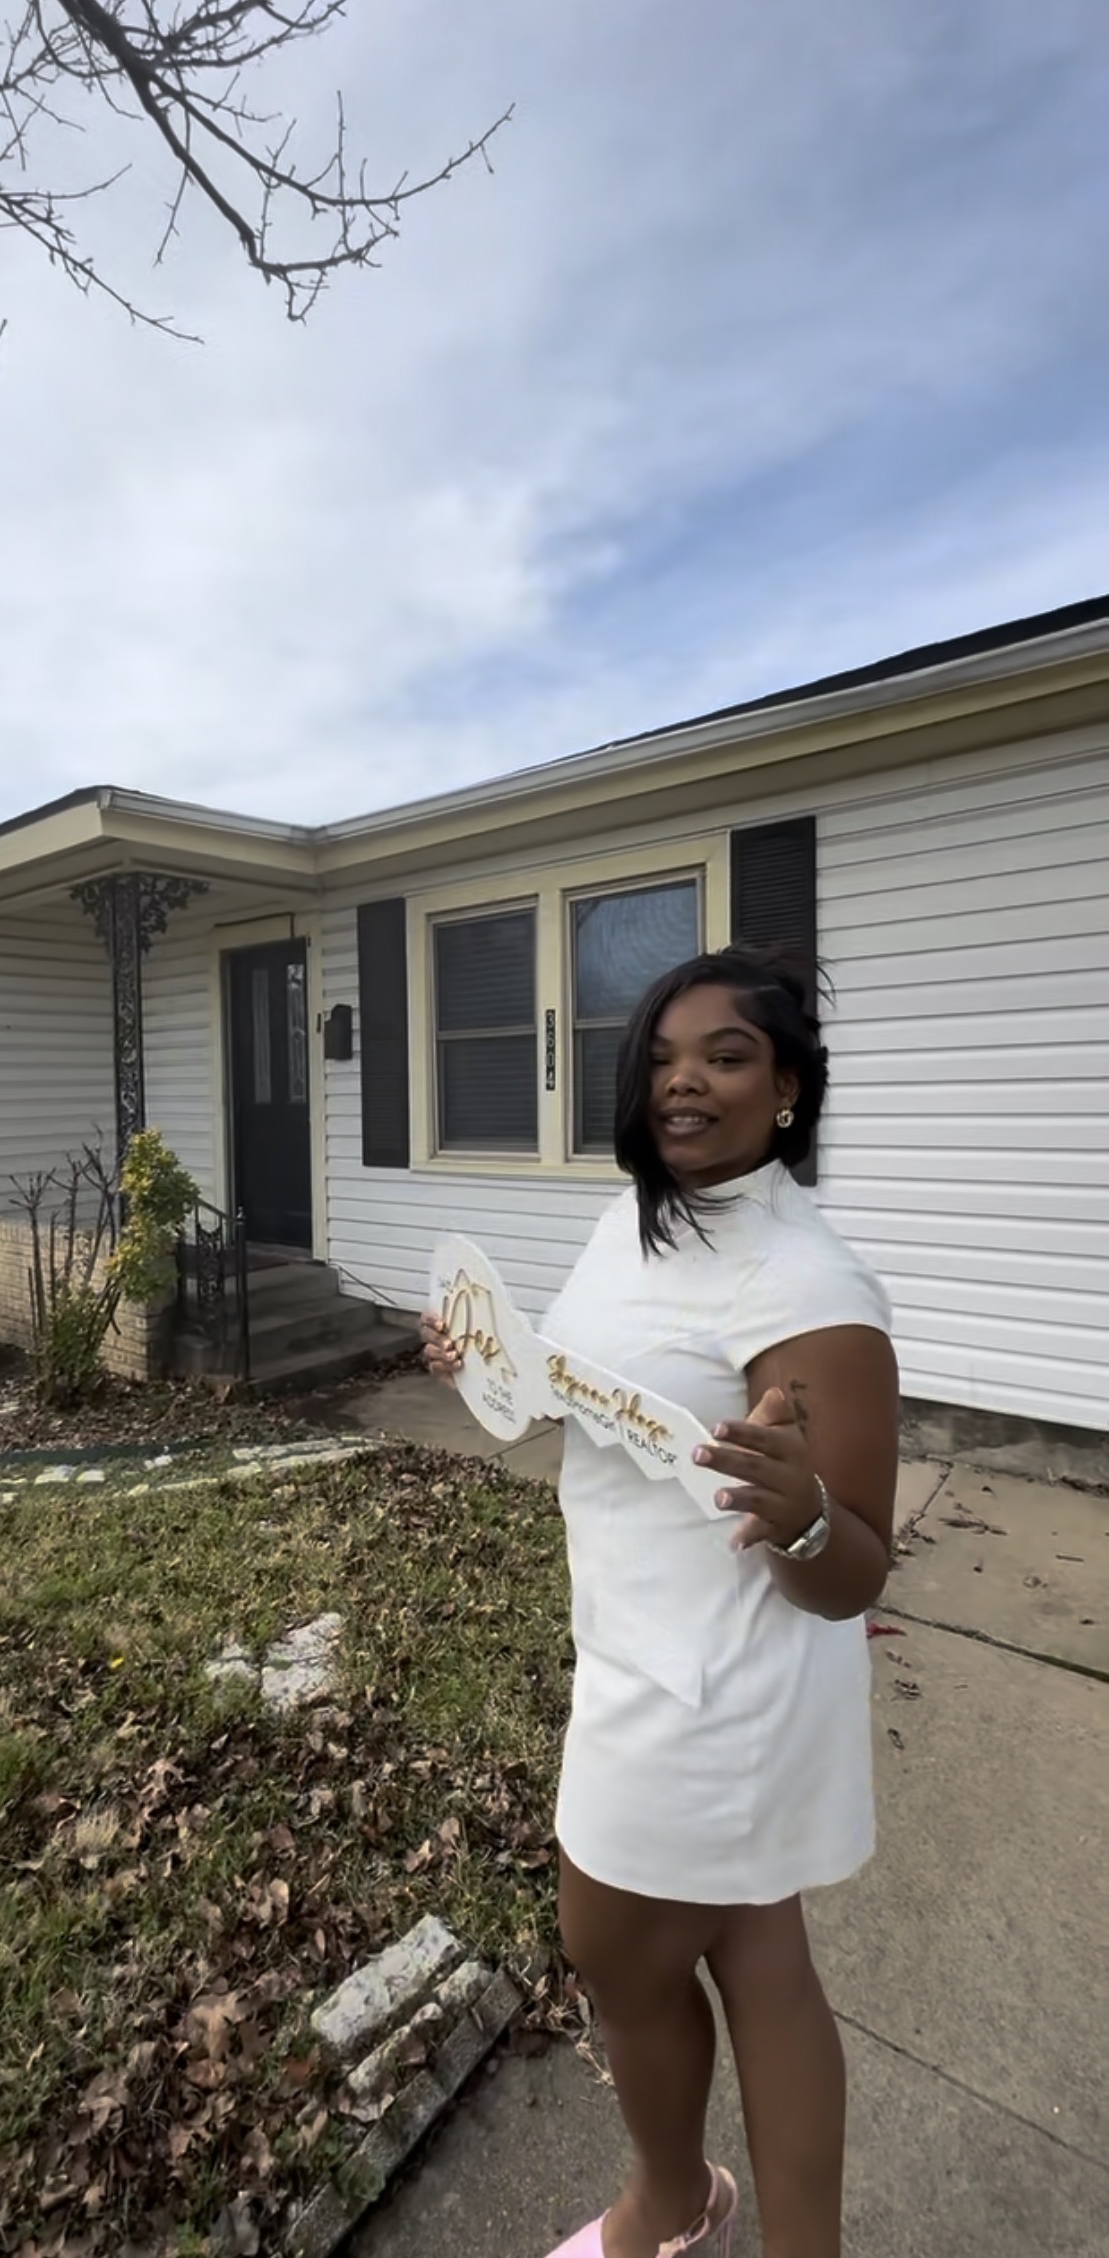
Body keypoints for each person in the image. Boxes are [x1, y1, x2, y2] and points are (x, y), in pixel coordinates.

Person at [421, 947, 900, 2258]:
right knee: (755, 1949)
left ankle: (663, 2201)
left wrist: (801, 1504)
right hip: (636, 1639)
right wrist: (493, 1363)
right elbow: (594, 1395)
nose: (683, 1079)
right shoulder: (635, 1216)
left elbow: (855, 1564)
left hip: (717, 1687)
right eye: (662, 1055)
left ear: (787, 1090)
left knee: (615, 1946)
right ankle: (708, 2213)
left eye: (726, 1054)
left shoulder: (808, 1288)